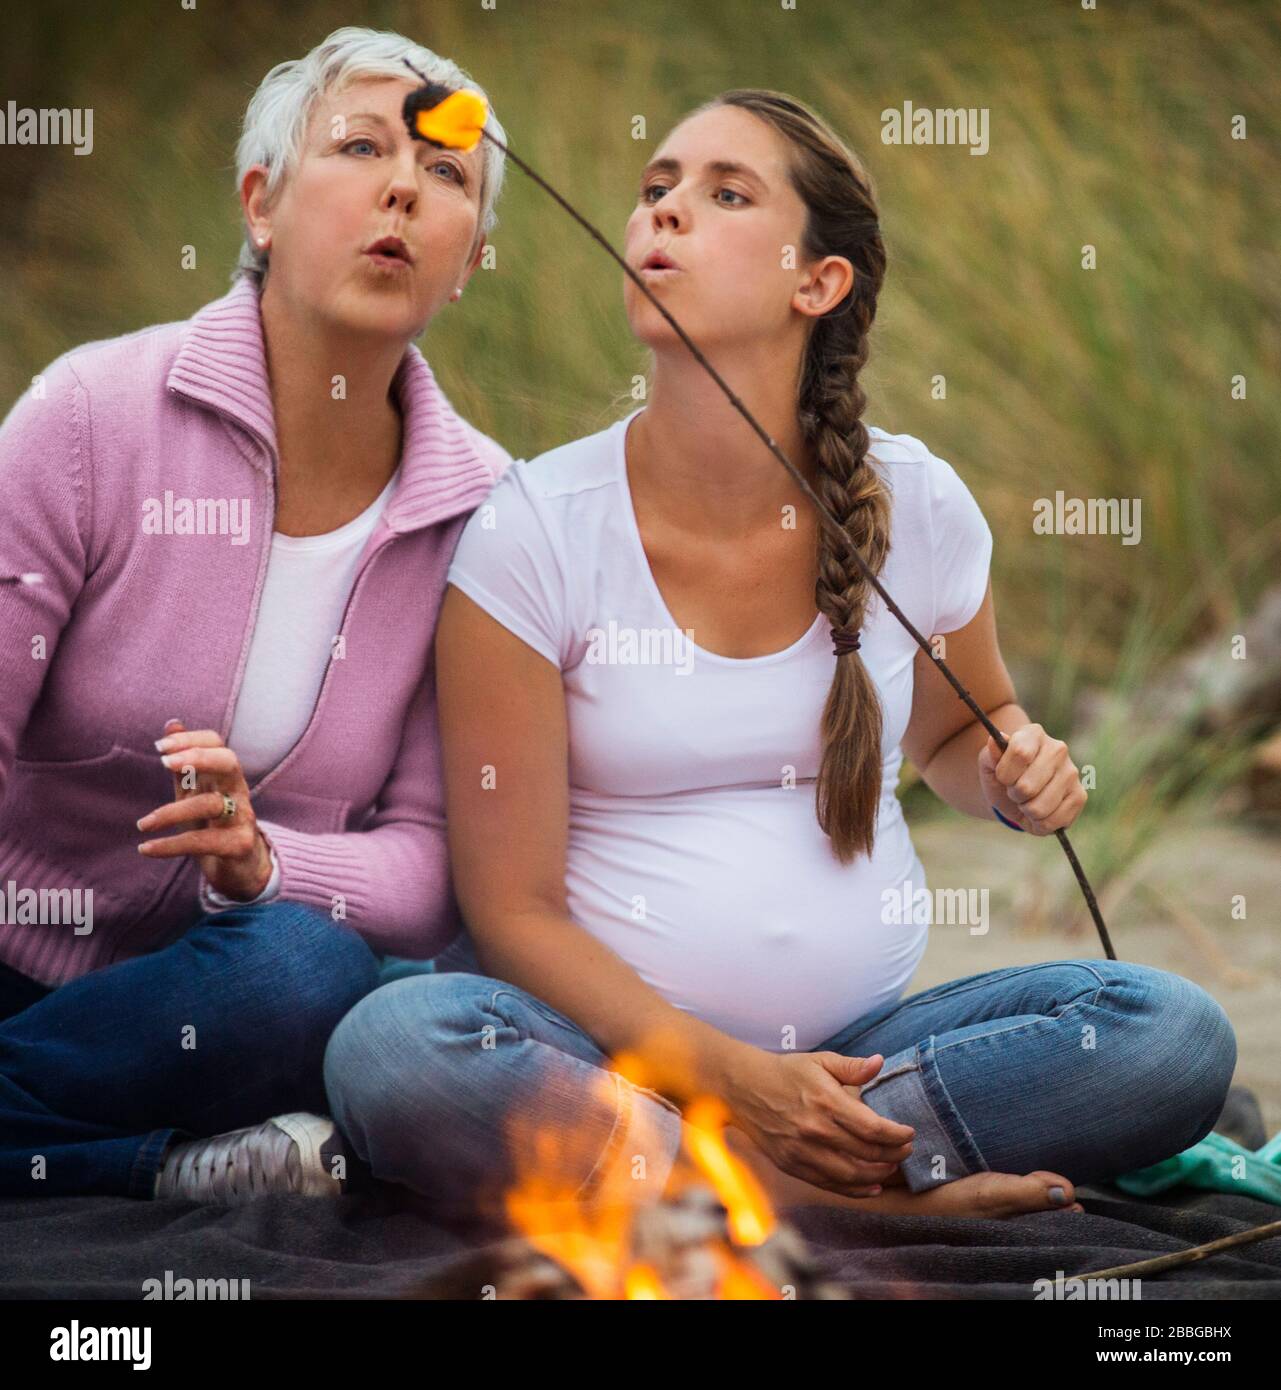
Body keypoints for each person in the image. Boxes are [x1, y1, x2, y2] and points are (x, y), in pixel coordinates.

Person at [324, 89, 1237, 1225]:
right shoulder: (534, 526)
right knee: (399, 1047)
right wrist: (741, 1087)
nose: (663, 211)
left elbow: (964, 730)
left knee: (1171, 1036)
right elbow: (513, 912)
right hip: (609, 1063)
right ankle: (847, 1200)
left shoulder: (921, 507)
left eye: (724, 192)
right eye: (656, 186)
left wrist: (1014, 773)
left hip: (861, 1061)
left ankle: (730, 1187)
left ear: (820, 282)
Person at [0, 27, 512, 1203]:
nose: (403, 185)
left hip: (217, 997)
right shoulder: (89, 416)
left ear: (471, 256)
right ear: (262, 202)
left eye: (446, 174)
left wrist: (267, 861)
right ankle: (158, 1170)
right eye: (360, 146)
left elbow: (431, 867)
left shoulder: (487, 513)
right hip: (13, 968)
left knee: (311, 976)